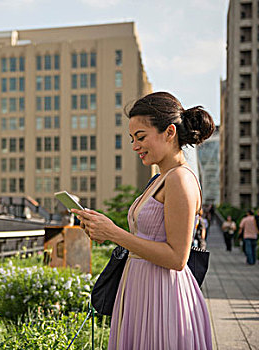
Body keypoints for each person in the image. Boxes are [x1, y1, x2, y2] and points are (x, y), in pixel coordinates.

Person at [72, 92, 214, 349]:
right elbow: (144, 239)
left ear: (169, 132)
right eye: (132, 139)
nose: (135, 145)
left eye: (141, 137)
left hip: (162, 296)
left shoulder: (179, 179)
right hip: (142, 290)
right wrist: (102, 230)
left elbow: (177, 258)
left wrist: (114, 233)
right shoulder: (161, 178)